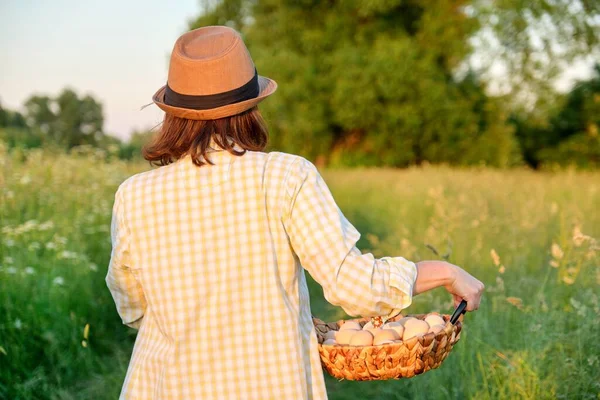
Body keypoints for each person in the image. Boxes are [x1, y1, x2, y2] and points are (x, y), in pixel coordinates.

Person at [106, 25, 484, 400]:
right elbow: (356, 287)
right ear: (250, 106)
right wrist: (446, 272)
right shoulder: (286, 175)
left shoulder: (133, 195)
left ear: (175, 112)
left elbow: (133, 308)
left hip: (161, 387)